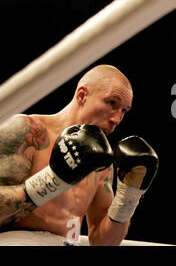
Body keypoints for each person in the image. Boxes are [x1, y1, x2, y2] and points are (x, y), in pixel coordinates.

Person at [0, 64, 159, 246]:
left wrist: (129, 196)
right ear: (82, 95)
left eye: (124, 110)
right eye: (112, 103)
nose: (116, 119)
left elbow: (102, 243)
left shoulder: (102, 164)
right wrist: (52, 180)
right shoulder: (28, 131)